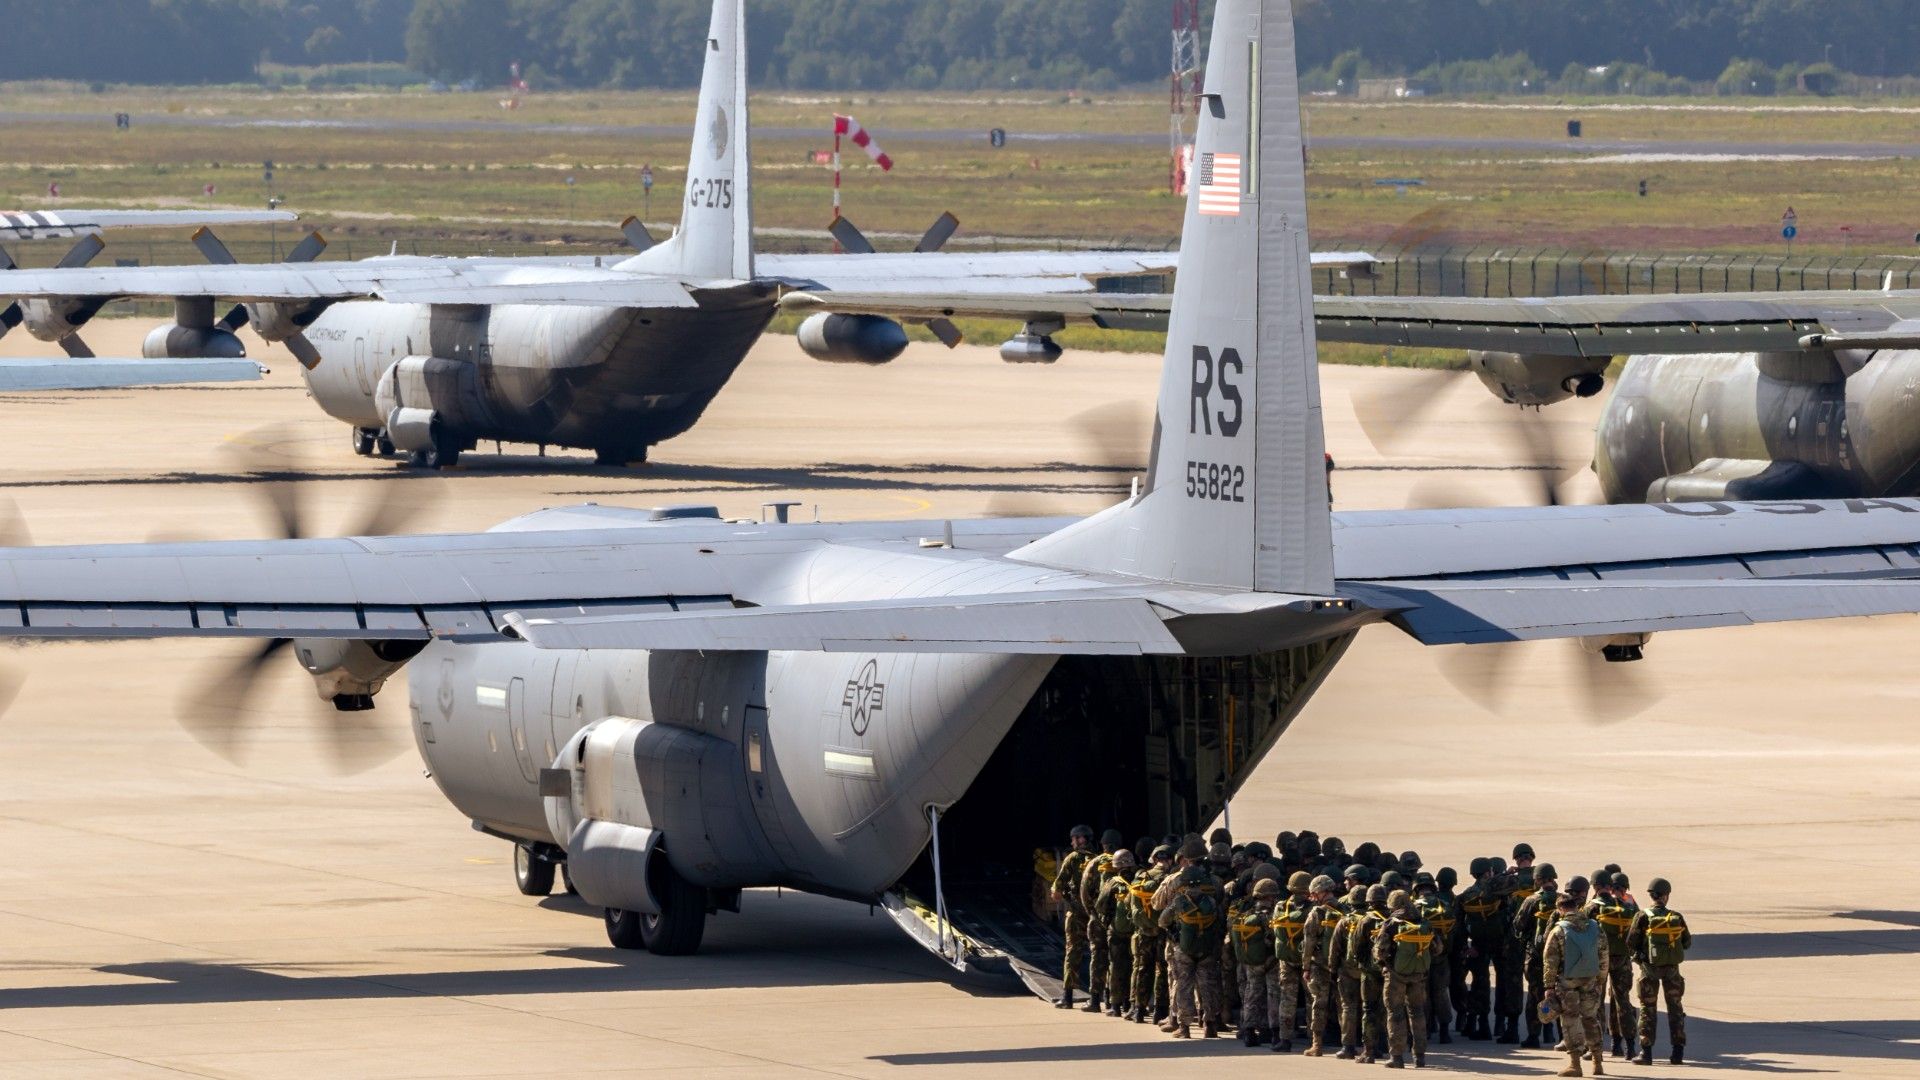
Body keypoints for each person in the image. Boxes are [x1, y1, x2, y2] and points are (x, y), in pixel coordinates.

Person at [1158, 840, 1226, 1038]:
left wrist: (1175, 932)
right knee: (1208, 984)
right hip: (1207, 946)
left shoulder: (1177, 894)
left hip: (1183, 947)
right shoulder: (1213, 891)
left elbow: (1161, 918)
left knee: (1183, 985)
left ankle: (1185, 1026)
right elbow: (1221, 917)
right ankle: (1210, 1023)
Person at [1543, 885, 1609, 1078]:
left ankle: (1575, 1064)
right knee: (1591, 1018)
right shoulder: (1595, 927)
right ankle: (1597, 1062)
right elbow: (1604, 955)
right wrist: (1600, 980)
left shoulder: (1558, 930)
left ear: (1561, 909)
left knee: (1570, 1020)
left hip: (1567, 983)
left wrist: (1548, 986)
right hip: (1590, 980)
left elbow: (1550, 960)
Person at [1627, 878, 1691, 1066]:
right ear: (1666, 895)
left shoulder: (1642, 916)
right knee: (1676, 1009)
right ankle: (1677, 1052)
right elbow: (1687, 943)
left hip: (1649, 970)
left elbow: (1631, 943)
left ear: (1651, 895)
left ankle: (1646, 1053)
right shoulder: (1676, 917)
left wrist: (1641, 960)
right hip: (1672, 971)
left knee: (1647, 1009)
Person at [1375, 888, 1436, 1069]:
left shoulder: (1390, 923)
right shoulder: (1424, 922)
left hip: (1395, 976)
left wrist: (1383, 962)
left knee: (1395, 1014)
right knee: (1417, 1013)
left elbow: (1379, 951)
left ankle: (1397, 1057)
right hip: (1418, 976)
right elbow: (1437, 947)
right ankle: (1420, 1056)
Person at [1512, 862, 1561, 1048]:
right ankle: (1555, 1034)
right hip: (1558, 958)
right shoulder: (1563, 899)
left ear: (1538, 880)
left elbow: (1518, 924)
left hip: (1535, 956)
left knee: (1535, 996)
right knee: (1557, 994)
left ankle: (1534, 1035)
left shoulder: (1531, 900)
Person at [1592, 871, 1640, 1059]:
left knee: (1597, 1001)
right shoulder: (1626, 906)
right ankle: (1628, 1047)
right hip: (1622, 959)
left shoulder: (1593, 907)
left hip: (1600, 959)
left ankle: (1598, 1047)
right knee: (1622, 1001)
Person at [1077, 829, 1125, 1014]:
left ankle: (1095, 1000)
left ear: (1103, 844)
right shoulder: (1125, 860)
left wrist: (1092, 913)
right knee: (1117, 959)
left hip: (1098, 918)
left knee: (1098, 958)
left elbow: (1084, 891)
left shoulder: (1095, 863)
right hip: (1117, 919)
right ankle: (1116, 1002)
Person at [1230, 875, 1281, 1047]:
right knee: (1273, 994)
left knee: (1252, 994)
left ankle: (1249, 1031)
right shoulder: (1273, 916)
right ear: (1270, 896)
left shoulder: (1246, 915)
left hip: (1252, 962)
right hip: (1271, 960)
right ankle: (1273, 1032)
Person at [1127, 844, 1174, 1023]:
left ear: (1153, 859)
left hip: (1143, 931)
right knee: (1161, 969)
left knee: (1142, 968)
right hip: (1163, 932)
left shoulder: (1140, 877)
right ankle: (1160, 1011)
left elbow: (1129, 904)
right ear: (1169, 860)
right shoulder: (1169, 879)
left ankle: (1139, 1009)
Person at [1050, 824, 1095, 1007]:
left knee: (1073, 953)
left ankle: (1067, 997)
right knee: (1098, 954)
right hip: (1095, 915)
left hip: (1076, 913)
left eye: (1074, 838)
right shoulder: (1099, 859)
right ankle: (1100, 998)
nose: (1072, 842)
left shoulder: (1073, 859)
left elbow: (1056, 891)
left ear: (1082, 839)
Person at [1269, 870, 1314, 1052]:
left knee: (1286, 1000)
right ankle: (1314, 1039)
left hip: (1286, 959)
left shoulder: (1281, 907)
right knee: (1312, 1000)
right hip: (1307, 960)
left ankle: (1284, 1039)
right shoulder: (1313, 909)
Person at [1459, 857, 1503, 1042]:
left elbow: (1459, 925)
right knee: (1505, 983)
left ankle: (1481, 1024)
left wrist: (1465, 947)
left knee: (1480, 983)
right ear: (1488, 872)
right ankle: (1502, 1024)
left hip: (1478, 944)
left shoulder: (1465, 896)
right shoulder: (1498, 890)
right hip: (1500, 943)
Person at [1300, 874, 1345, 1057]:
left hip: (1319, 965)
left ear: (1319, 892)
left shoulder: (1316, 913)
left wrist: (1305, 966)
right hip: (1340, 965)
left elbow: (1308, 941)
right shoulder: (1345, 909)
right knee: (1343, 1005)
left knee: (1319, 1004)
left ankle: (1317, 1044)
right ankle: (1347, 1044)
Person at [1093, 848, 1139, 1019]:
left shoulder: (1113, 882)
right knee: (1134, 967)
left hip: (1117, 932)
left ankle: (1116, 1005)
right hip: (1136, 932)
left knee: (1116, 967)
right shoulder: (1139, 879)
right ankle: (1131, 1002)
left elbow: (1100, 905)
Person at [1413, 871, 1458, 1045]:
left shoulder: (1412, 907)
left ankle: (1426, 1030)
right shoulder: (1444, 905)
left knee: (1422, 993)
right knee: (1441, 992)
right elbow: (1455, 930)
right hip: (1442, 957)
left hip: (1420, 957)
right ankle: (1445, 1032)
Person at [1352, 883, 1391, 1063]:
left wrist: (1363, 964)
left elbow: (1356, 946)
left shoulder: (1366, 920)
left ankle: (1368, 1051)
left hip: (1369, 972)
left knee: (1369, 1009)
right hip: (1388, 970)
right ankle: (1384, 1044)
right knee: (1386, 1009)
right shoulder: (1392, 918)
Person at [1330, 885, 1368, 1059]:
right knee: (1372, 1008)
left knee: (1348, 1008)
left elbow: (1335, 947)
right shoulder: (1375, 919)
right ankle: (1373, 1045)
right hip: (1369, 971)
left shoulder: (1345, 921)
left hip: (1347, 970)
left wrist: (1333, 969)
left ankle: (1348, 1046)